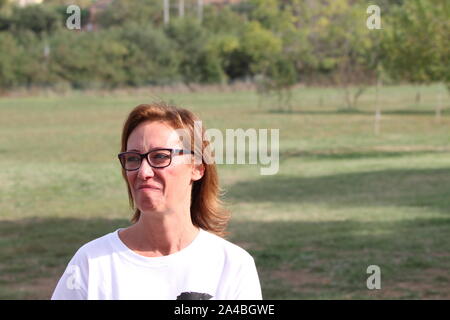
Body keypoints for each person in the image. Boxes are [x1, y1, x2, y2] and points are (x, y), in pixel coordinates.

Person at [51, 102, 262, 300]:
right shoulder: (91, 262)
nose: (143, 172)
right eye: (133, 158)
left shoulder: (232, 266)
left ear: (197, 167)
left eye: (160, 156)